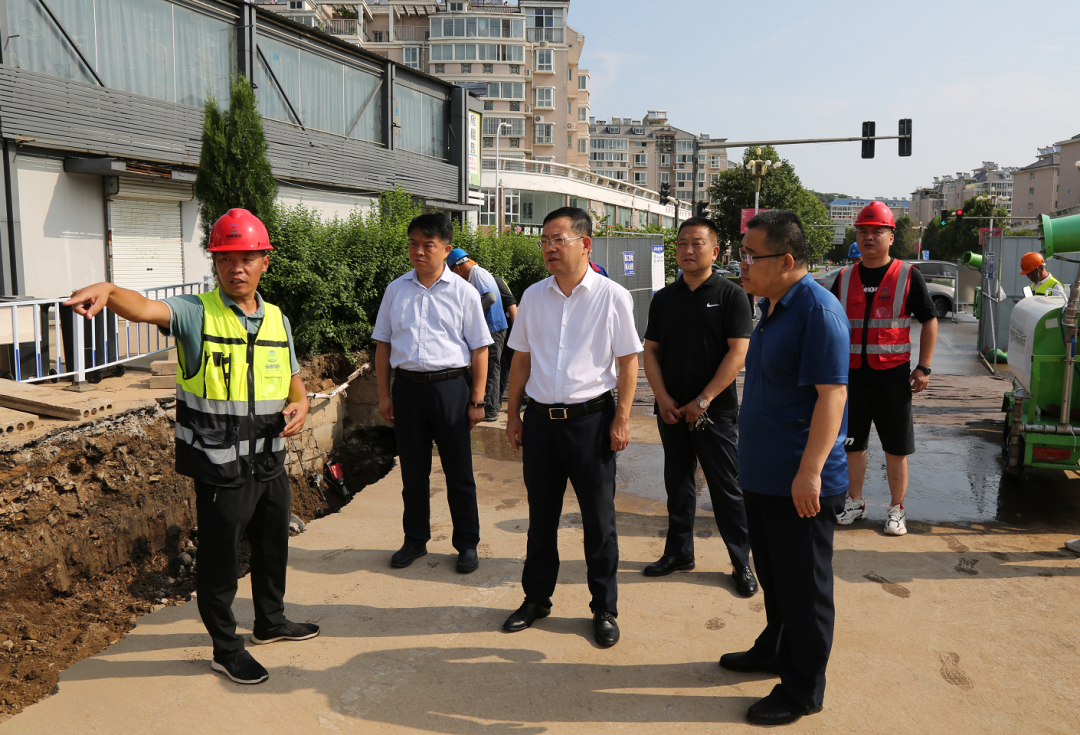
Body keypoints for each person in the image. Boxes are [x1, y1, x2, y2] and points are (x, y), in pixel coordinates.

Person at [64, 208, 317, 686]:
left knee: (271, 546)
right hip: (221, 467)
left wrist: (301, 406)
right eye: (226, 259)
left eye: (246, 258)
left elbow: (294, 383)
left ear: (265, 260)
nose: (236, 268)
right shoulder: (195, 313)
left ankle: (270, 621)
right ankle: (226, 647)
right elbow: (145, 308)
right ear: (215, 263)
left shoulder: (279, 320)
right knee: (220, 561)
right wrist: (111, 291)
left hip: (269, 460)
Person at [719, 209, 849, 727]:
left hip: (800, 481)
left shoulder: (818, 310)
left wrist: (811, 470)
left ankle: (801, 690)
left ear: (787, 260)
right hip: (763, 474)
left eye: (751, 255)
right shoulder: (771, 306)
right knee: (775, 576)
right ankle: (775, 647)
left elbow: (832, 397)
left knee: (805, 589)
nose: (742, 263)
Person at [501, 206, 641, 648]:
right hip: (542, 422)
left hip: (591, 423)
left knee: (599, 520)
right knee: (541, 517)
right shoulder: (534, 296)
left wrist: (622, 418)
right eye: (544, 240)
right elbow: (520, 358)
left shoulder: (612, 296)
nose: (549, 248)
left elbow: (628, 361)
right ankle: (536, 598)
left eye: (558, 239)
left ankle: (604, 607)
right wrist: (512, 413)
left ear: (586, 244)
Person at [641, 217, 757, 597]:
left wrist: (702, 401)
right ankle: (679, 553)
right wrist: (662, 398)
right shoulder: (664, 299)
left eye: (697, 244)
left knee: (727, 489)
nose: (688, 251)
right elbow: (651, 352)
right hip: (671, 410)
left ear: (715, 251)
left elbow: (738, 353)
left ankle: (742, 562)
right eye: (682, 244)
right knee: (677, 484)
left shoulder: (731, 295)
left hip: (714, 413)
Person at [373, 214, 493, 574]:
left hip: (451, 390)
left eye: (427, 244)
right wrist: (384, 394)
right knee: (413, 471)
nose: (419, 251)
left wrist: (477, 400)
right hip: (408, 389)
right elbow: (383, 345)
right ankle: (415, 539)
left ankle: (467, 543)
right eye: (413, 243)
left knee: (459, 471)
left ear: (445, 248)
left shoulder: (464, 292)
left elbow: (480, 349)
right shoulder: (396, 290)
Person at [829, 201, 938, 536]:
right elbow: (830, 324)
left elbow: (929, 320)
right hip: (851, 378)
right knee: (853, 446)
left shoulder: (908, 275)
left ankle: (896, 510)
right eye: (863, 231)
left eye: (877, 231)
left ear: (891, 236)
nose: (869, 237)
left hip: (893, 378)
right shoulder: (844, 278)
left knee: (896, 448)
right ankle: (856, 503)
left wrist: (923, 368)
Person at [448, 248, 508, 421]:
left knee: (491, 368)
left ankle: (491, 409)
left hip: (494, 328)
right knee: (491, 368)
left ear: (457, 268)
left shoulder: (478, 273)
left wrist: (470, 314)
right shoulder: (477, 273)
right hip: (491, 327)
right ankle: (492, 406)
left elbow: (490, 298)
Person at [493, 272, 518, 399]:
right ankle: (497, 399)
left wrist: (517, 331)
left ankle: (524, 399)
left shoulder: (495, 280)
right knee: (504, 364)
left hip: (509, 328)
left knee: (510, 363)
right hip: (501, 329)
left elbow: (511, 303)